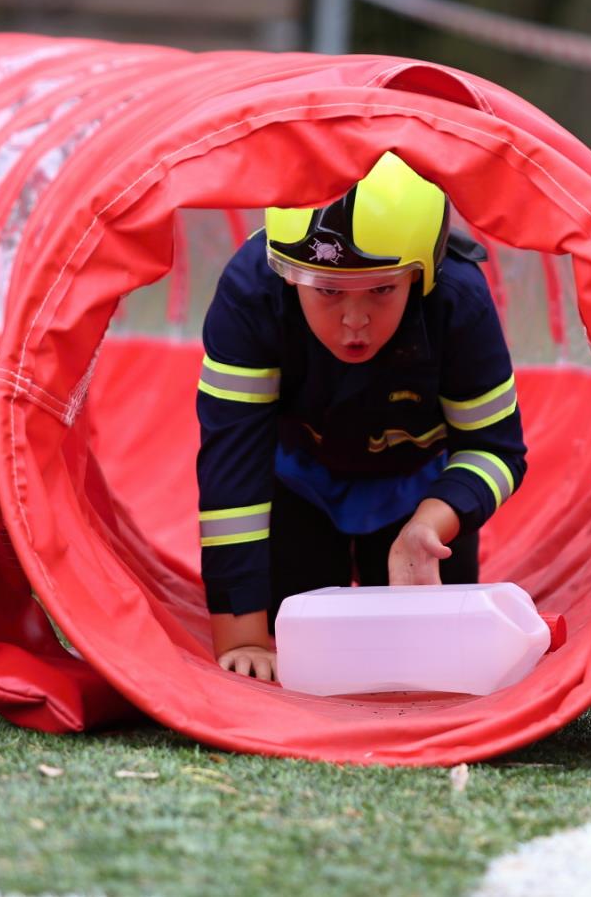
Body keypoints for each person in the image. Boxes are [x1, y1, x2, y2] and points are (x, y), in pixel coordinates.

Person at [194, 152, 528, 680]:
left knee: (430, 656)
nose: (354, 319)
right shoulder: (251, 293)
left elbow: (497, 449)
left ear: (422, 275)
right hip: (297, 483)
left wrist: (434, 520)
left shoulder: (457, 298)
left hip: (419, 491)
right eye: (326, 289)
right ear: (287, 275)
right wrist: (243, 635)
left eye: (381, 288)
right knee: (297, 628)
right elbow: (232, 469)